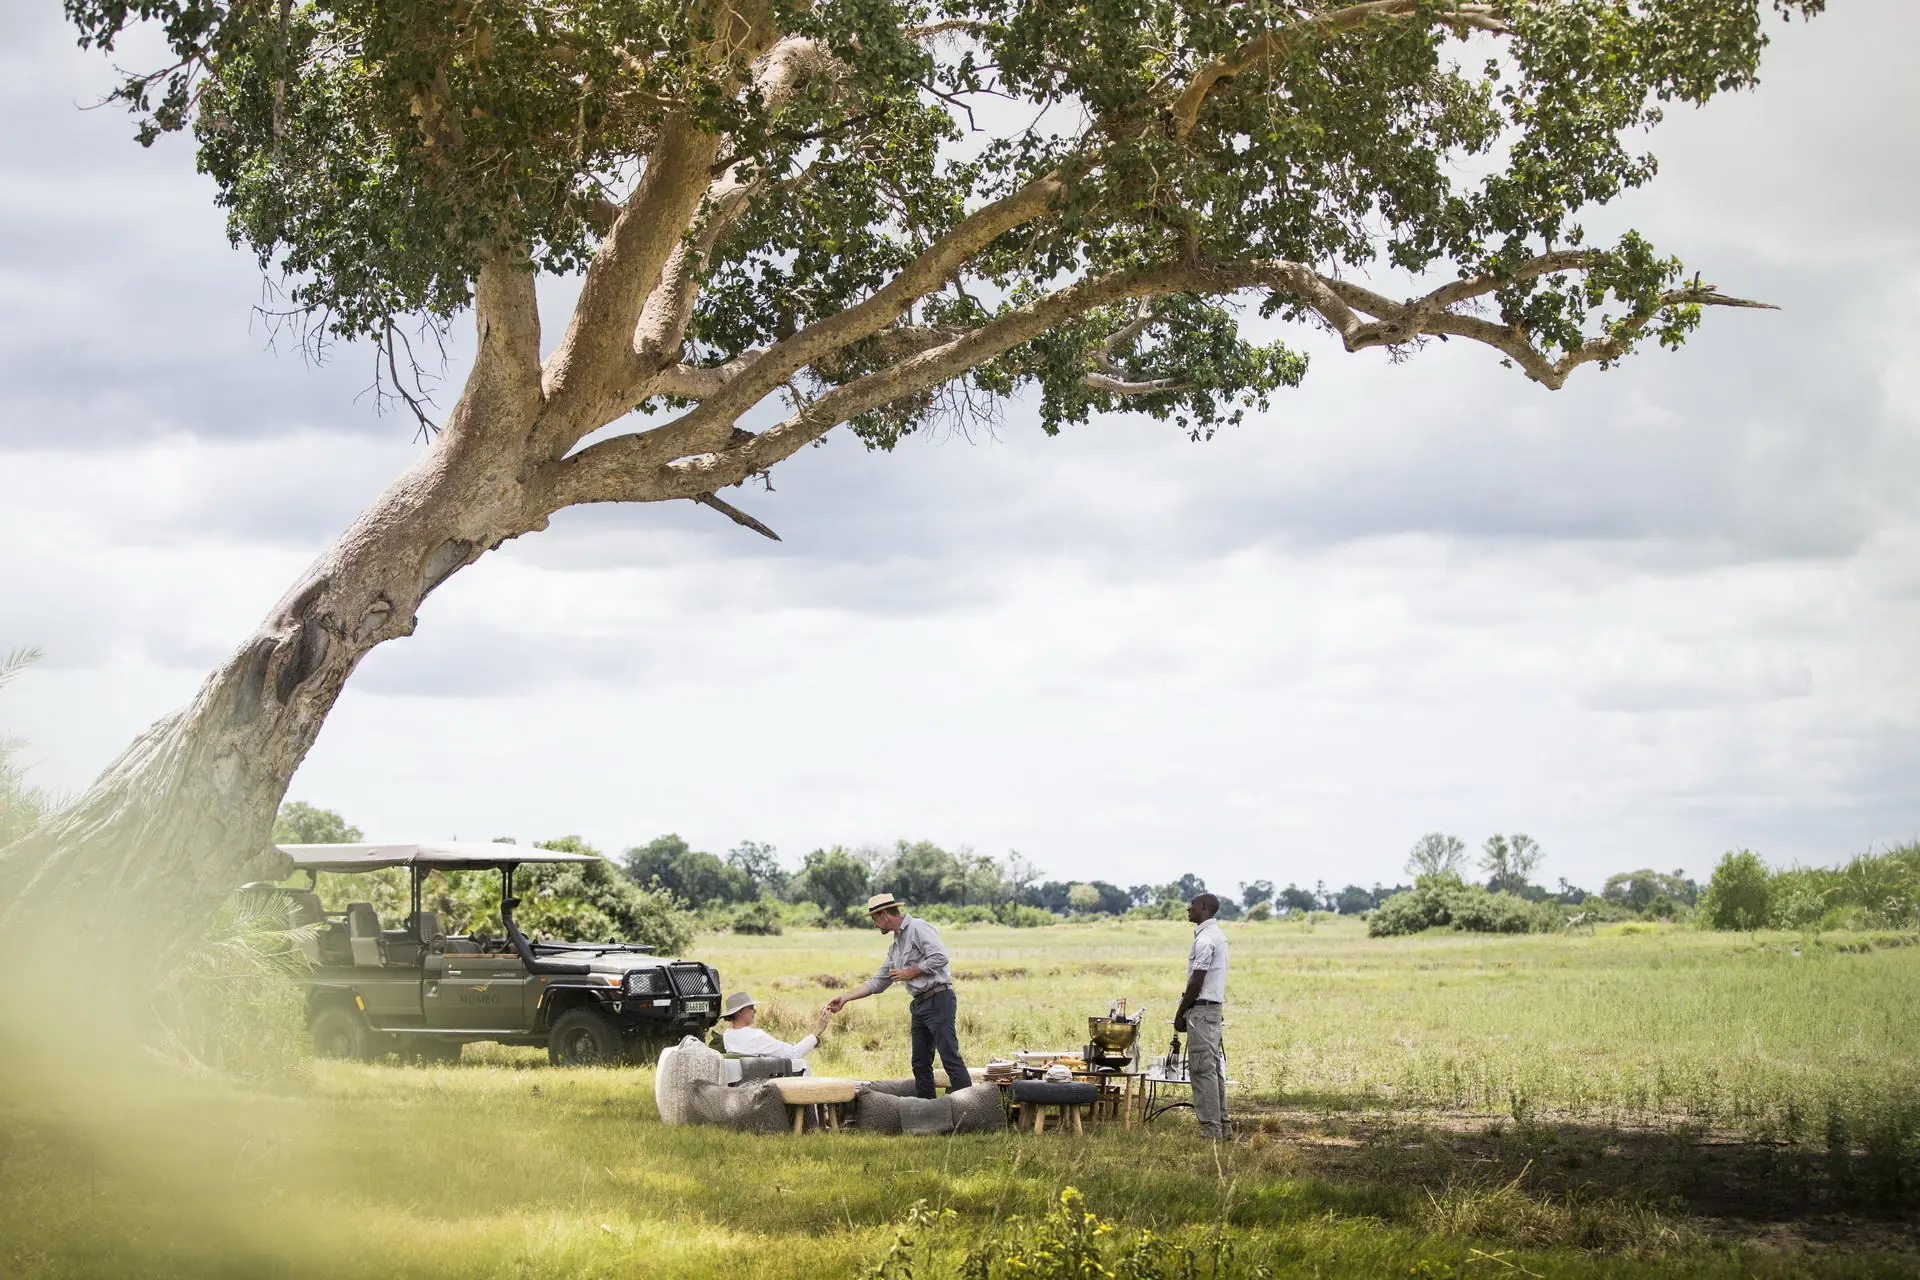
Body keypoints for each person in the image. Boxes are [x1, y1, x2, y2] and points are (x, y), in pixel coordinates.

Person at [823, 893, 973, 1098]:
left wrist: (911, 972)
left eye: (874, 919)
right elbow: (878, 981)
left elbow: (940, 957)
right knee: (920, 1063)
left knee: (949, 1058)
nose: (875, 924)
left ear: (884, 914)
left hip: (939, 999)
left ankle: (971, 1110)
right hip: (919, 1005)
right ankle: (928, 1112)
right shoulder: (895, 946)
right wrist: (845, 998)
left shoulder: (919, 928)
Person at [1173, 892, 1231, 1140]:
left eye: (1193, 905)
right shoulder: (1215, 936)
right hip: (1211, 1010)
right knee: (1213, 1069)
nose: (1189, 908)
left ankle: (1211, 1131)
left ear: (1205, 908)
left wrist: (1181, 1012)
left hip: (1202, 1009)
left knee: (1201, 1070)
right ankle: (1223, 1127)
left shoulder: (1206, 939)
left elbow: (1197, 980)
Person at [719, 991, 828, 1069]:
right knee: (801, 1063)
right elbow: (793, 1053)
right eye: (751, 1008)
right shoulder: (756, 1036)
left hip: (743, 1081)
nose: (755, 1011)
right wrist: (817, 1031)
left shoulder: (728, 1035)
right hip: (764, 1082)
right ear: (740, 1012)